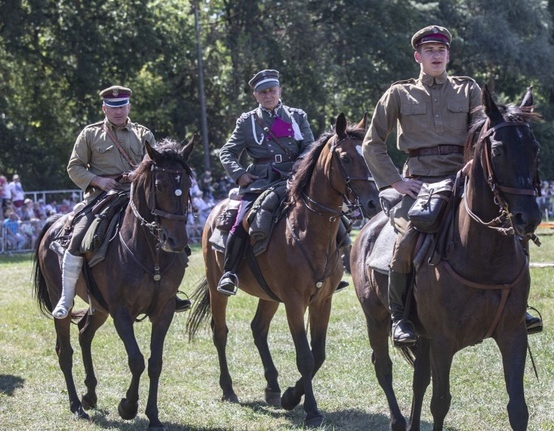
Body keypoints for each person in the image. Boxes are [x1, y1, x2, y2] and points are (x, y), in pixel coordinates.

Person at [363, 25, 542, 347]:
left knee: (513, 230)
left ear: (448, 55)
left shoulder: (467, 89)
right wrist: (396, 181)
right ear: (418, 56)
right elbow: (372, 143)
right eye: (429, 51)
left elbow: (484, 133)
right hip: (419, 182)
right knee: (405, 241)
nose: (436, 55)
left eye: (441, 50)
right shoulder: (399, 94)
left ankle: (518, 307)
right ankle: (401, 317)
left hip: (463, 178)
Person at [51, 85, 191, 319]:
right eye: (113, 107)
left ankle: (169, 292)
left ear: (129, 106)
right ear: (104, 108)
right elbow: (73, 167)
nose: (118, 111)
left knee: (174, 236)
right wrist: (97, 180)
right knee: (78, 237)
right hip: (102, 196)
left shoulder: (143, 134)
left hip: (138, 196)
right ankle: (66, 297)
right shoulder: (90, 134)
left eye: (122, 106)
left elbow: (156, 166)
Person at [217, 69, 350, 296]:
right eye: (263, 92)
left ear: (280, 91)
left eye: (272, 90)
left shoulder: (297, 116)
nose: (268, 95)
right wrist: (240, 174)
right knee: (243, 220)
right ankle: (230, 273)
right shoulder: (247, 121)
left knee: (336, 216)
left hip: (295, 177)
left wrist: (300, 166)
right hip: (261, 181)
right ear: (256, 96)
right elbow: (227, 152)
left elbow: (310, 146)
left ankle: (334, 271)